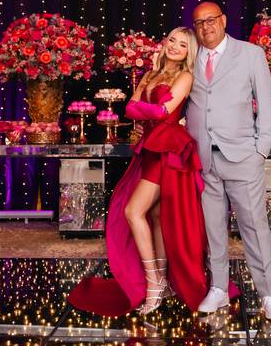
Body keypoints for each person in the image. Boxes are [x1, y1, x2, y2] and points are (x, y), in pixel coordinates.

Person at [67, 27, 210, 316]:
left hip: (168, 148)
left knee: (133, 211)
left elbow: (160, 112)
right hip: (149, 147)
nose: (174, 47)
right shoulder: (150, 74)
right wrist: (148, 109)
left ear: (189, 53)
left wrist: (145, 109)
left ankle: (154, 282)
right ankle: (163, 281)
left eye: (183, 45)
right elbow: (129, 110)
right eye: (172, 40)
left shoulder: (185, 76)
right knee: (156, 216)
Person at [185, 1, 271, 320]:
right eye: (199, 23)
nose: (206, 27)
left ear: (224, 20)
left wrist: (261, 151)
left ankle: (269, 294)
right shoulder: (191, 56)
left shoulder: (250, 54)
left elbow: (267, 104)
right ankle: (218, 288)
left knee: (254, 226)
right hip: (203, 158)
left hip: (243, 155)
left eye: (211, 20)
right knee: (213, 228)